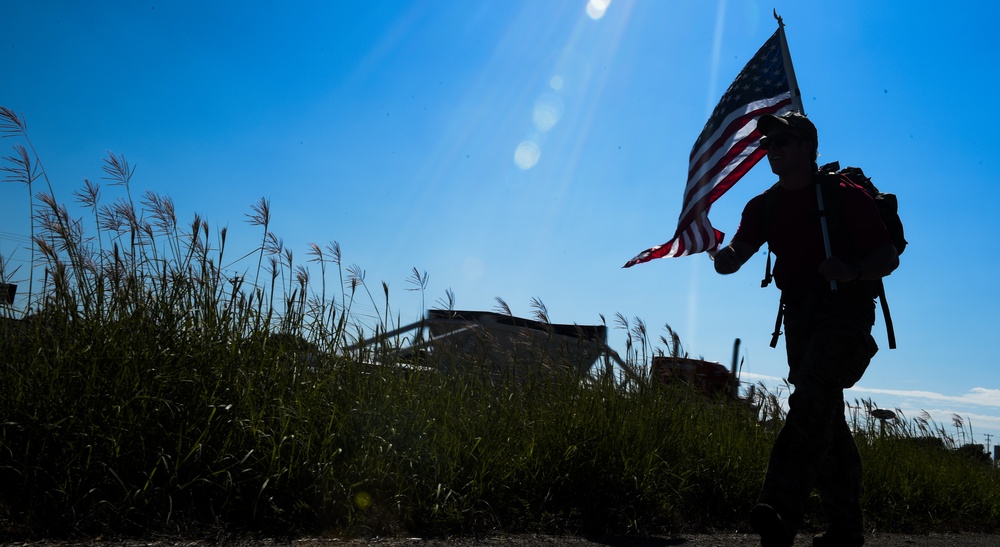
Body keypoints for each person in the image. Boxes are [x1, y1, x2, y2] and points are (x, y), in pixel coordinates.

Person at [713, 111, 899, 547]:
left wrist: (852, 270)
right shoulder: (763, 206)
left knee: (813, 396)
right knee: (826, 418)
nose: (771, 149)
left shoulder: (845, 197)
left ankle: (779, 509)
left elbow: (887, 257)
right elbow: (737, 253)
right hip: (800, 321)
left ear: (809, 148)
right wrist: (723, 258)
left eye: (782, 140)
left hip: (847, 315)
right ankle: (845, 530)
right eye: (767, 144)